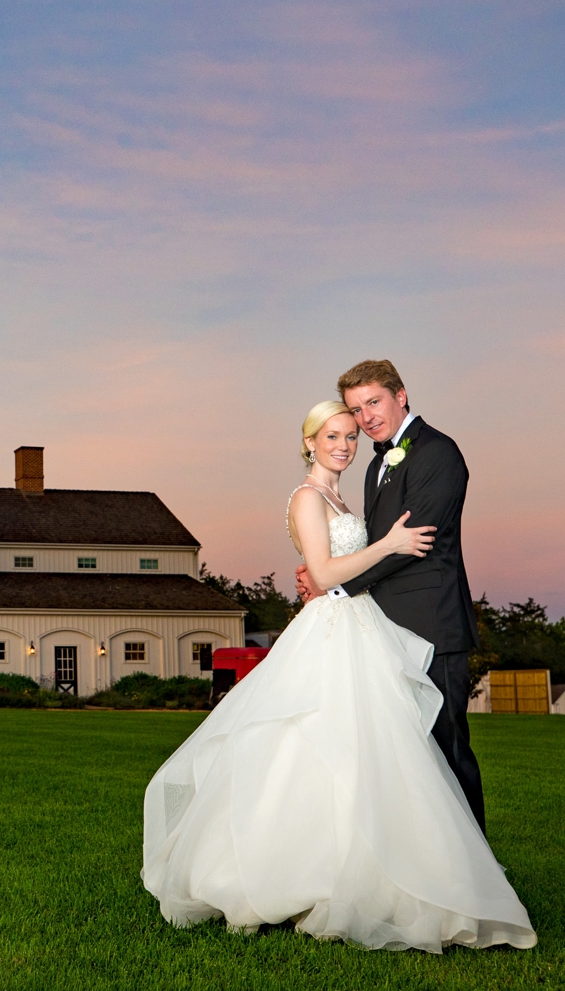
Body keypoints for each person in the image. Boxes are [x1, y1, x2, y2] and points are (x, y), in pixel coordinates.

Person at [140, 399, 535, 953]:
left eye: (350, 436)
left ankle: (379, 870)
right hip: (331, 631)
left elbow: (328, 566)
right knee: (315, 747)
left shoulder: (340, 495)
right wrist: (389, 545)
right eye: (332, 436)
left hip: (360, 625)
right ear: (308, 443)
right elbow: (324, 573)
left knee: (374, 751)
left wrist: (362, 557)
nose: (344, 445)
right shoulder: (306, 497)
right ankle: (299, 875)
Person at [296, 360, 485, 830]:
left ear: (401, 395)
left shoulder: (438, 453)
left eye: (374, 402)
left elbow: (412, 543)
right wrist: (326, 571)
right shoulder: (378, 462)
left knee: (446, 748)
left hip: (432, 624)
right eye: (357, 410)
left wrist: (332, 585)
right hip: (382, 630)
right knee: (406, 759)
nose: (367, 418)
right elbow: (373, 543)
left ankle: (476, 867)